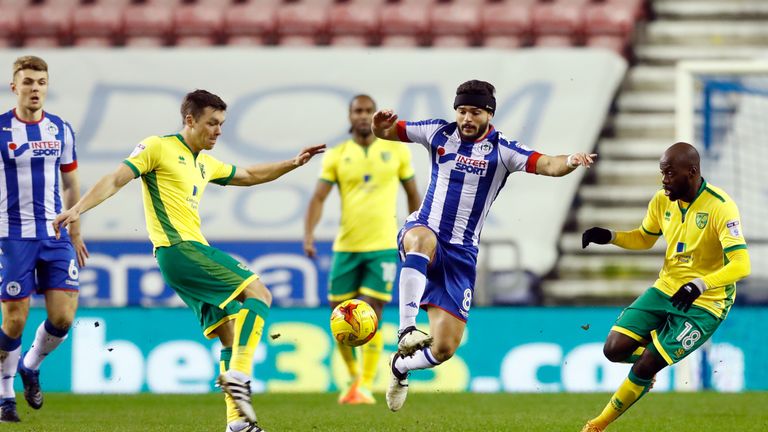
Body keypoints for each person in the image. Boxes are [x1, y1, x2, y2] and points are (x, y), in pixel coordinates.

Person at [52, 89, 325, 432]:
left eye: (222, 124)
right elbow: (116, 179)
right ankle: (240, 375)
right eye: (212, 123)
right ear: (190, 120)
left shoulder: (205, 163)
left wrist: (292, 162)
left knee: (227, 334)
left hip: (181, 257)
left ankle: (237, 423)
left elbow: (252, 176)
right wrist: (78, 208)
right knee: (260, 294)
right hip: (181, 249)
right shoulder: (157, 147)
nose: (218, 131)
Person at [371, 79, 596, 411]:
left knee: (445, 348)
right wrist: (379, 125)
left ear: (489, 114)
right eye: (461, 111)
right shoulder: (437, 133)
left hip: (461, 254)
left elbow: (547, 164)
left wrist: (571, 161)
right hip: (424, 230)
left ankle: (400, 367)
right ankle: (405, 330)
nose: (466, 118)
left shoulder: (503, 150)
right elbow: (388, 132)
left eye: (474, 112)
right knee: (421, 238)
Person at [580, 142, 751, 432]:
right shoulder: (662, 200)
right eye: (662, 173)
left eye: (670, 173)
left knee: (646, 365)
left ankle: (596, 426)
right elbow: (645, 238)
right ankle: (647, 369)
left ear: (692, 172)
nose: (664, 180)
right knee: (614, 349)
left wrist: (700, 284)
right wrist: (609, 236)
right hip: (667, 288)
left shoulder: (721, 206)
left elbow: (742, 264)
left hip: (706, 302)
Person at [304, 94, 420, 405]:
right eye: (358, 111)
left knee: (370, 312)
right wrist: (309, 235)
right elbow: (317, 198)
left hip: (382, 245)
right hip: (346, 246)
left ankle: (365, 385)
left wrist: (415, 231)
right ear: (349, 115)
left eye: (369, 111)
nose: (363, 115)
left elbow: (412, 193)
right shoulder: (337, 155)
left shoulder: (395, 151)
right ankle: (354, 378)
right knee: (338, 315)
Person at [0, 56, 89, 423]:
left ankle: (30, 367)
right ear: (14, 87)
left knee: (64, 318)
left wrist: (76, 229)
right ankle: (5, 397)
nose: (35, 88)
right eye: (28, 81)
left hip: (54, 235)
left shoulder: (61, 129)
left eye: (41, 82)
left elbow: (70, 183)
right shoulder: (2, 129)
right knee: (15, 321)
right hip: (12, 236)